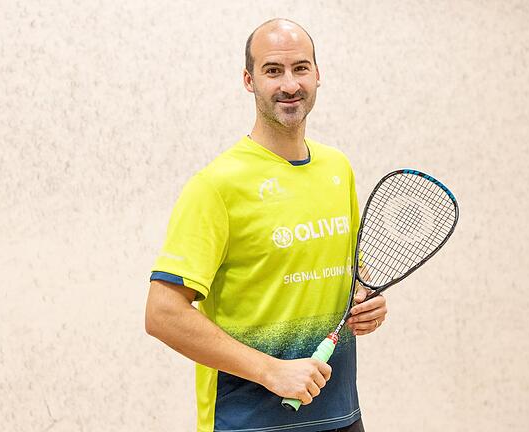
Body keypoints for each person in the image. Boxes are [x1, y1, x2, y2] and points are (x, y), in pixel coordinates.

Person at [144, 18, 387, 432]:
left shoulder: (337, 169)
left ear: (318, 74)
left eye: (301, 68)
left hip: (339, 416)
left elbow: (348, 274)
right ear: (249, 79)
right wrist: (270, 370)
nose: (289, 84)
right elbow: (162, 313)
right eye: (273, 70)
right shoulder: (217, 186)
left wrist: (366, 302)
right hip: (247, 422)